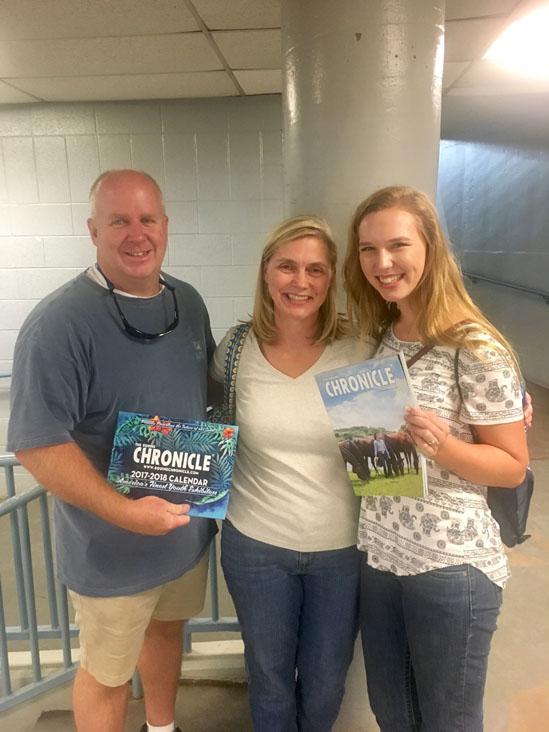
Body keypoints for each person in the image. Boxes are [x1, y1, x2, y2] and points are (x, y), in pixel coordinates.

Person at [7, 169, 217, 732]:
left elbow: (208, 402)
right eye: (118, 221)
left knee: (167, 632)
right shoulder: (59, 324)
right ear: (92, 230)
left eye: (147, 219)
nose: (136, 234)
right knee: (107, 674)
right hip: (112, 552)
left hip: (183, 533)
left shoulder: (188, 302)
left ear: (166, 226)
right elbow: (36, 445)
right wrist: (127, 512)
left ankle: (162, 727)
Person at [343, 185, 529, 732]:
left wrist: (444, 446)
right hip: (381, 554)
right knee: (394, 713)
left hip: (451, 568)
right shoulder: (382, 333)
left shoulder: (475, 346)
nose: (382, 263)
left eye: (398, 245)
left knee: (447, 720)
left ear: (431, 247)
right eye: (367, 249)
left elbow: (512, 466)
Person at [210, 216, 374, 732]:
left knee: (326, 682)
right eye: (287, 266)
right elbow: (206, 433)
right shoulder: (236, 351)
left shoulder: (359, 351)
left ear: (331, 280)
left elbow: (384, 460)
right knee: (269, 677)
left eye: (315, 270)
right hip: (255, 546)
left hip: (342, 552)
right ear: (265, 273)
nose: (299, 282)